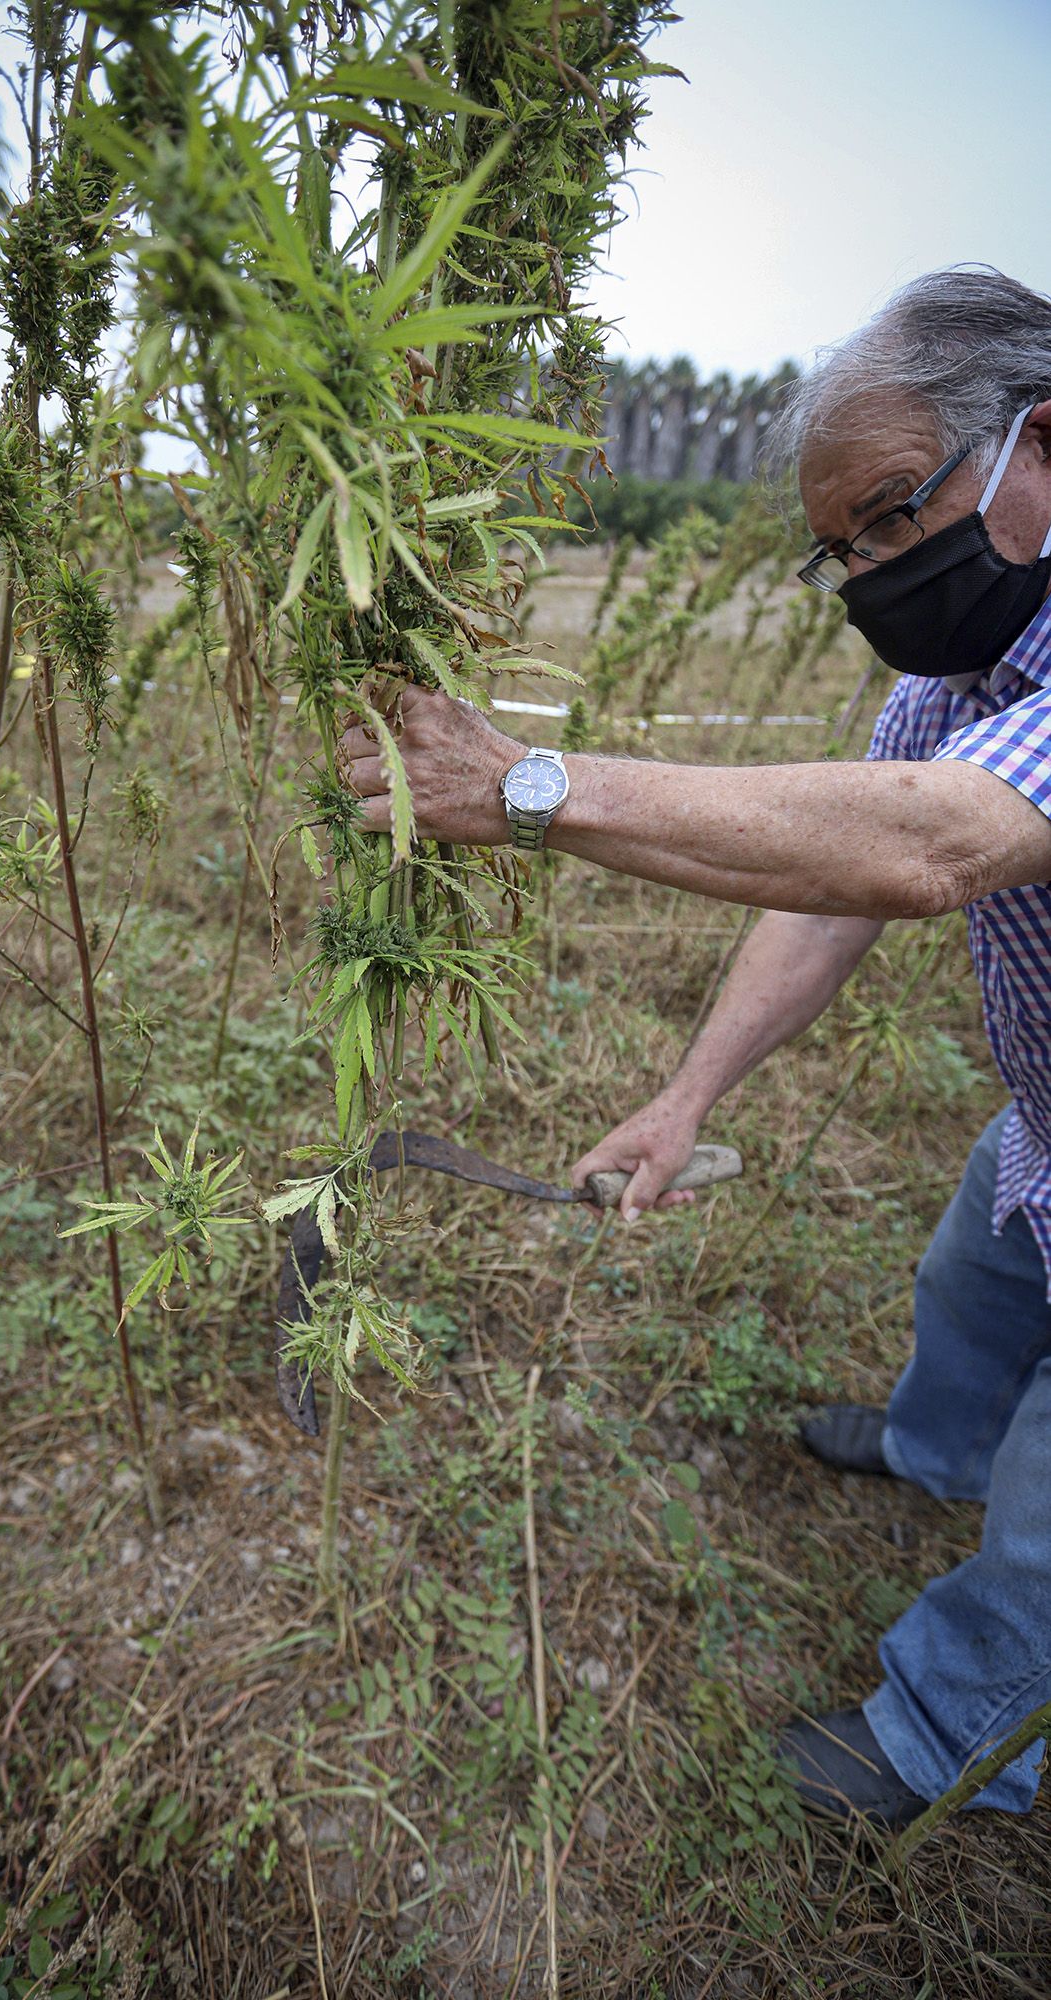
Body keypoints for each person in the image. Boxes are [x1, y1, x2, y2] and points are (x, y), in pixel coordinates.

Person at [339, 267, 1051, 1830]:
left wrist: (532, 785)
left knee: (1049, 1526)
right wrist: (684, 1097)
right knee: (970, 1287)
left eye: (887, 516)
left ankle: (942, 1738)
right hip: (1042, 1133)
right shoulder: (956, 679)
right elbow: (826, 901)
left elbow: (927, 850)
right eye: (841, 551)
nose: (869, 572)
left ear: (1040, 444)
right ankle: (932, 1445)